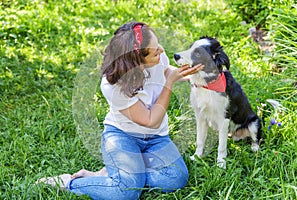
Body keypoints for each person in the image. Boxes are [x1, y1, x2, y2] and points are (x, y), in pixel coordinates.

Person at [36, 21, 202, 200]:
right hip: (123, 136)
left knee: (176, 178)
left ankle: (124, 173)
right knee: (125, 193)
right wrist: (169, 83)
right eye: (155, 52)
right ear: (137, 62)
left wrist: (190, 74)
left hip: (156, 138)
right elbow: (150, 120)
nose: (161, 51)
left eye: (158, 45)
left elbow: (164, 70)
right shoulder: (112, 85)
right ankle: (70, 183)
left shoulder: (158, 56)